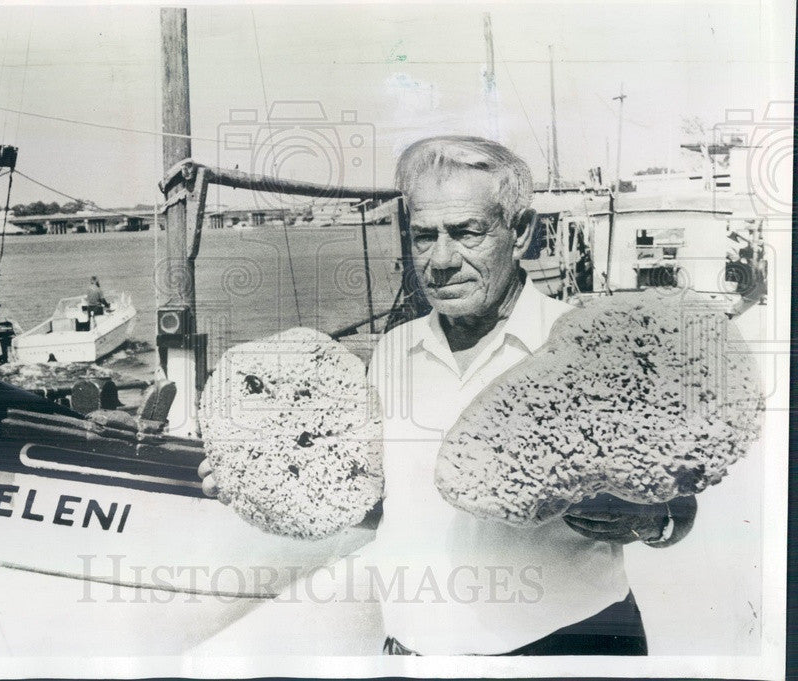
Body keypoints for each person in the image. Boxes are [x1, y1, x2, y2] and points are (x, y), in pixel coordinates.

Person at [199, 135, 696, 656]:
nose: (440, 260)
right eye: (423, 236)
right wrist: (260, 478)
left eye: (465, 233)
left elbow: (681, 505)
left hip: (566, 648)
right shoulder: (393, 352)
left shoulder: (589, 349)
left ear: (521, 232)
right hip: (417, 653)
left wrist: (647, 517)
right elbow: (390, 506)